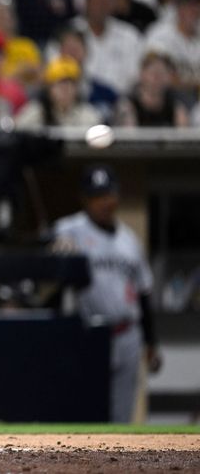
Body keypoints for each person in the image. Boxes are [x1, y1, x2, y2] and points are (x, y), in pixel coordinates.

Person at [53, 165, 161, 423]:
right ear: (85, 200)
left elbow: (144, 292)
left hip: (128, 334)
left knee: (121, 414)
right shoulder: (71, 229)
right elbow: (49, 246)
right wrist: (55, 248)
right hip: (89, 334)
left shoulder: (129, 241)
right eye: (96, 196)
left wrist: (151, 342)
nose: (104, 202)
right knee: (86, 410)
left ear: (116, 196)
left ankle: (117, 464)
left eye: (107, 195)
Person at [15, 56, 102, 128]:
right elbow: (17, 131)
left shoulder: (88, 115)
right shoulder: (35, 111)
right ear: (49, 89)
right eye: (59, 84)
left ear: (77, 89)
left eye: (71, 84)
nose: (65, 89)